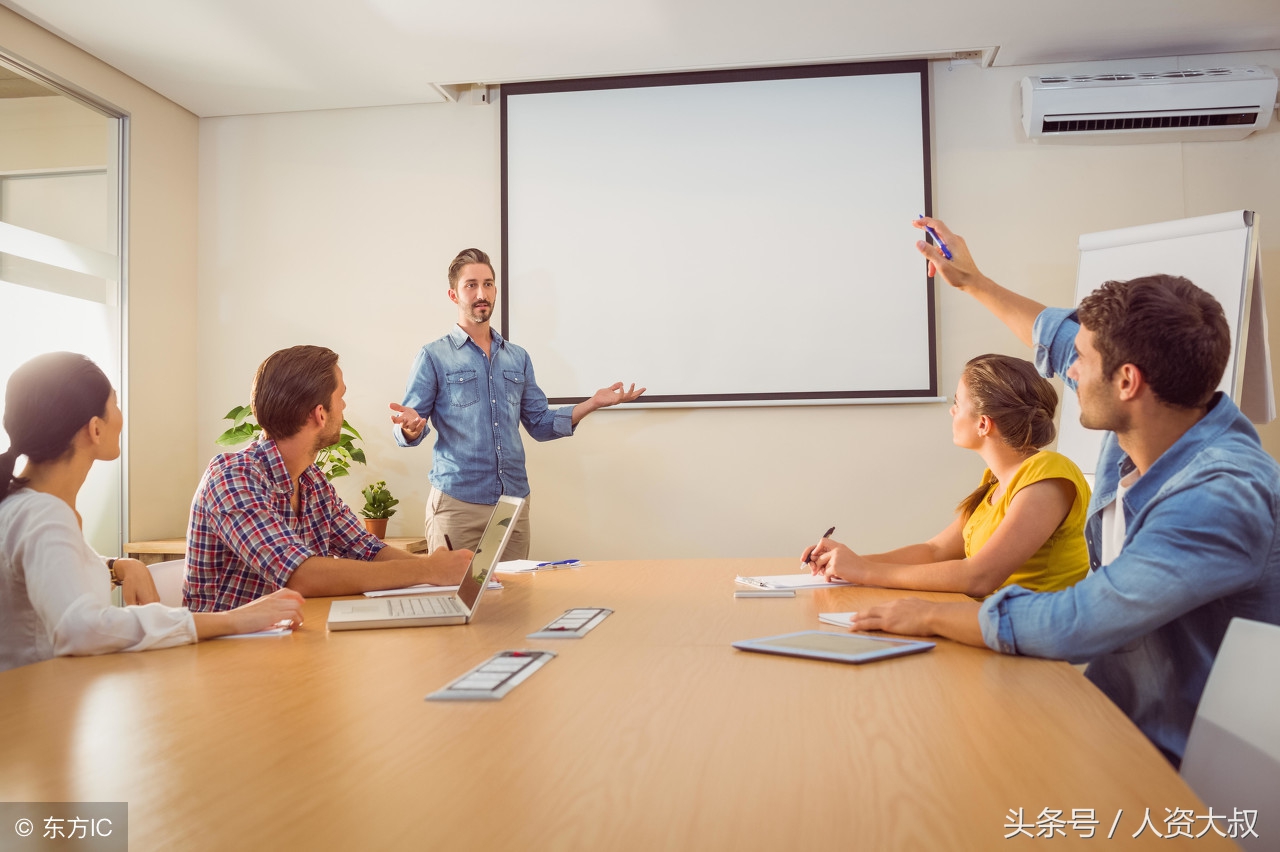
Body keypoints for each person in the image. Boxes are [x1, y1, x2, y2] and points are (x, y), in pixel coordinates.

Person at [845, 217, 1280, 765]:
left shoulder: (1217, 496)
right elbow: (1054, 334)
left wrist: (928, 615)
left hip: (1185, 759)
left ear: (1127, 382)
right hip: (1111, 713)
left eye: (1082, 362)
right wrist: (972, 281)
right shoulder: (1152, 422)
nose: (1068, 371)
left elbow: (1080, 620)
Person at [0, 352, 304, 672]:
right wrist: (232, 619)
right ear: (95, 429)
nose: (121, 415)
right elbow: (82, 628)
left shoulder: (23, 506)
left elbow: (48, 570)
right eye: (115, 404)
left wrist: (116, 566)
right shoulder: (46, 516)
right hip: (34, 711)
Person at [389, 248, 644, 559]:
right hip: (458, 504)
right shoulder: (433, 356)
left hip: (511, 504)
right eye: (471, 285)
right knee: (455, 601)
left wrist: (592, 403)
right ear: (453, 295)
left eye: (488, 283)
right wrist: (411, 430)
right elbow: (408, 427)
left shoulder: (517, 357)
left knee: (512, 602)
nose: (481, 293)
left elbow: (539, 424)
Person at [185, 345, 473, 612]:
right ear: (319, 414)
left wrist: (448, 570)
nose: (345, 407)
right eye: (341, 397)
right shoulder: (232, 476)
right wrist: (428, 571)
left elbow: (368, 550)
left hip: (289, 644)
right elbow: (300, 575)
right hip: (227, 655)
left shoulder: (312, 481)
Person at [805, 353, 1090, 597]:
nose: (952, 411)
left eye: (958, 403)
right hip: (987, 624)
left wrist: (865, 571)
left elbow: (979, 577)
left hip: (1031, 641)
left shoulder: (1048, 476)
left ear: (983, 423)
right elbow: (934, 551)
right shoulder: (995, 481)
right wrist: (847, 563)